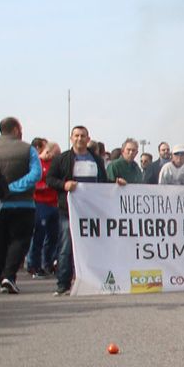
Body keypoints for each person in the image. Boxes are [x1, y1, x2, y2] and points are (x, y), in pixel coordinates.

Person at [48, 125, 109, 296]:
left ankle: (91, 281)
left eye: (83, 136)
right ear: (71, 138)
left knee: (92, 246)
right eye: (76, 135)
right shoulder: (62, 159)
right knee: (66, 246)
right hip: (68, 210)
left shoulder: (96, 159)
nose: (79, 139)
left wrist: (116, 183)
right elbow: (50, 180)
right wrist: (64, 185)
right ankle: (63, 284)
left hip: (92, 211)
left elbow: (103, 182)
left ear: (88, 139)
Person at [0, 116, 43, 295]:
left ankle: (2, 277)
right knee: (20, 241)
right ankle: (9, 276)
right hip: (24, 204)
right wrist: (14, 188)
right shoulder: (28, 149)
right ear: (15, 130)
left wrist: (1, 190)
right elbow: (36, 174)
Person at [27, 141, 60, 276]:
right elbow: (33, 181)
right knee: (38, 236)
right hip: (40, 203)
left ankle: (48, 263)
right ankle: (33, 264)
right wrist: (44, 187)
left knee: (53, 236)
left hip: (54, 203)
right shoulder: (37, 163)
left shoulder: (55, 164)